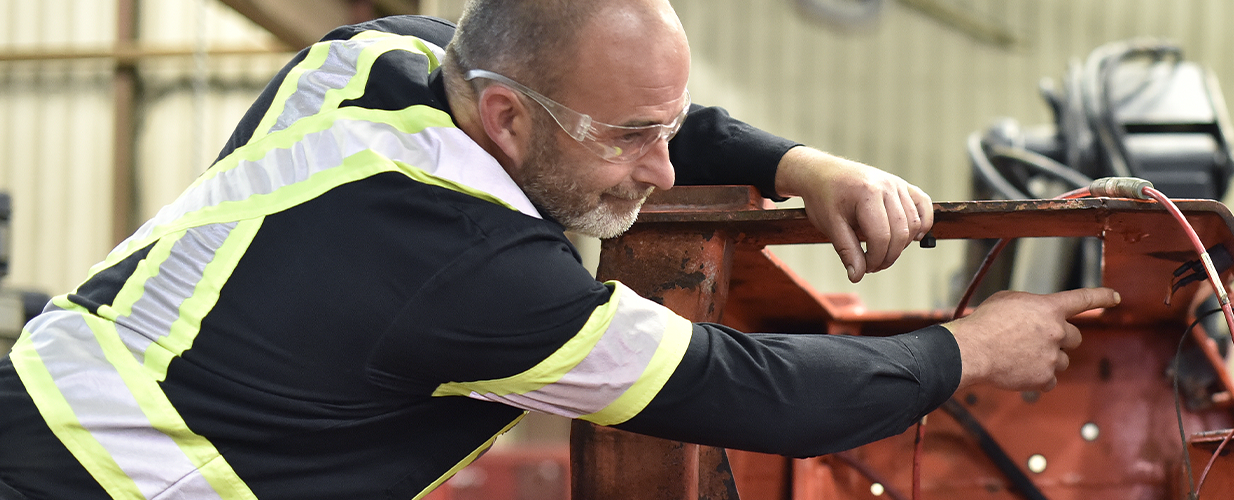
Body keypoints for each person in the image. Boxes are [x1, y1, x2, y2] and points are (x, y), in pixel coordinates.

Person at [0, 1, 1118, 498]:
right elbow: (760, 393)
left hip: (36, 399)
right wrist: (973, 350)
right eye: (629, 140)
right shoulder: (477, 279)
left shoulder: (370, 61)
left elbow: (612, 100)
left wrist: (799, 165)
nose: (663, 172)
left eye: (663, 130)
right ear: (504, 119)